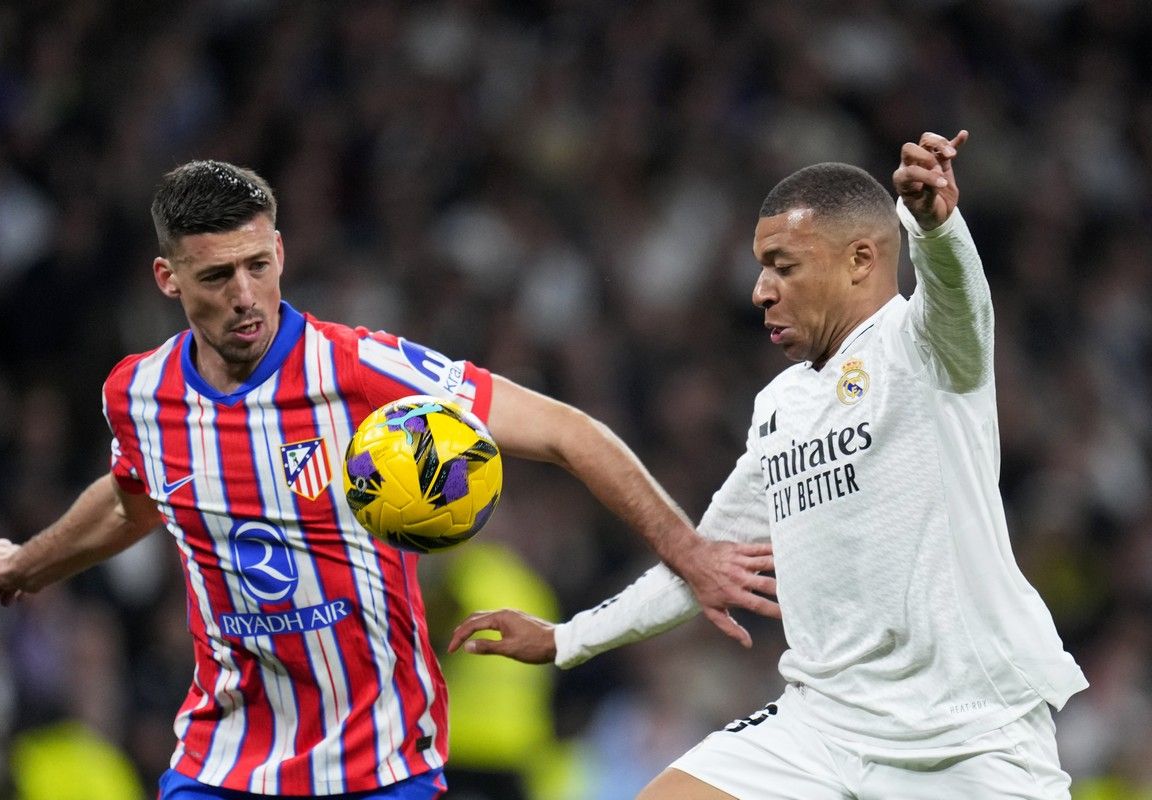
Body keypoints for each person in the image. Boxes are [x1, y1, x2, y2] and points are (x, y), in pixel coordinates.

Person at [0, 160, 780, 800]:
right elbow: (134, 499)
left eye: (258, 265)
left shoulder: (359, 369)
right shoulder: (140, 394)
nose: (246, 297)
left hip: (378, 762)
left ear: (281, 253)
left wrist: (688, 551)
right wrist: (30, 563)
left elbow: (568, 432)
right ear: (167, 279)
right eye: (217, 277)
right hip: (224, 757)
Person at [448, 130, 1089, 799]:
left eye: (783, 267)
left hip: (967, 733)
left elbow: (959, 298)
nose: (760, 291)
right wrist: (566, 640)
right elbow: (703, 561)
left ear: (860, 260)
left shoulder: (926, 347)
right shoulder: (781, 405)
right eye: (762, 268)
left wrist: (935, 228)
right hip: (821, 727)